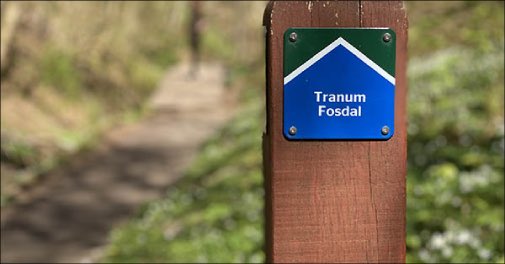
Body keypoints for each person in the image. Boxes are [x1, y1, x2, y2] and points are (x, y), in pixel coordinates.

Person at [188, 1, 202, 79]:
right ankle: (193, 68)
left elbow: (202, 25)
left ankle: (195, 68)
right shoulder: (193, 13)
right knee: (193, 51)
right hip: (192, 36)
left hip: (197, 36)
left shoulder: (199, 14)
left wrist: (199, 27)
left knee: (195, 52)